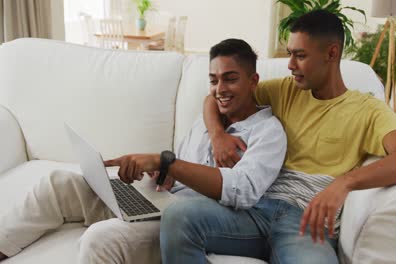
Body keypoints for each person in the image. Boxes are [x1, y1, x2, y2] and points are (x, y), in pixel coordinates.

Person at [161, 9, 396, 263]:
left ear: (331, 53)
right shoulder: (286, 90)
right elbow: (215, 97)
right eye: (290, 54)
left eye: (300, 55)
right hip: (253, 210)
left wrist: (344, 182)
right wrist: (217, 135)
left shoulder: (368, 110)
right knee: (179, 216)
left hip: (306, 223)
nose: (290, 65)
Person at [0, 39, 287, 263]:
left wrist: (168, 163)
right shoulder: (209, 122)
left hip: (188, 221)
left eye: (230, 78)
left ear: (253, 81)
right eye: (213, 80)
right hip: (160, 199)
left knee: (100, 239)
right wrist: (162, 171)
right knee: (58, 183)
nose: (219, 88)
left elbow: (242, 191)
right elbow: (182, 163)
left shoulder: (268, 133)